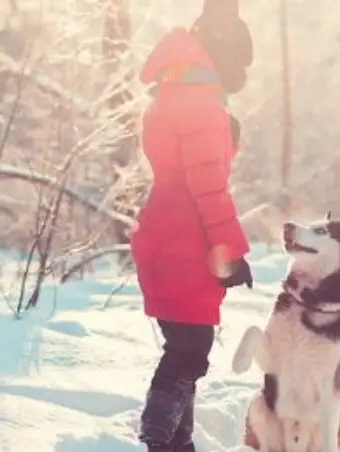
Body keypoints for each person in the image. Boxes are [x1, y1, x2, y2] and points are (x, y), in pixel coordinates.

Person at [128, 1, 255, 451]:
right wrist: (231, 251)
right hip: (186, 242)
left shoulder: (173, 96)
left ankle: (177, 445)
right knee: (188, 352)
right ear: (220, 53)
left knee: (186, 348)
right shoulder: (200, 107)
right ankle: (157, 436)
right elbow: (208, 188)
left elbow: (187, 172)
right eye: (240, 61)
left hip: (166, 236)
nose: (242, 73)